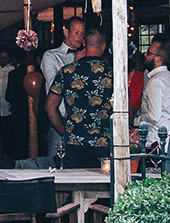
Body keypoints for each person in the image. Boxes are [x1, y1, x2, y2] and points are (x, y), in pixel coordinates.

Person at [47, 23, 114, 169]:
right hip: (103, 144)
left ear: (84, 43)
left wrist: (65, 132)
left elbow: (50, 107)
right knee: (102, 187)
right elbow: (125, 109)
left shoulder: (67, 71)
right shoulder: (112, 74)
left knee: (74, 185)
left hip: (73, 144)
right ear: (103, 46)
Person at [38, 18, 85, 159]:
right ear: (66, 32)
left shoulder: (86, 57)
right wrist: (75, 65)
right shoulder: (51, 56)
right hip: (60, 119)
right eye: (76, 32)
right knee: (56, 163)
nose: (80, 37)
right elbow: (54, 85)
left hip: (82, 121)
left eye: (82, 33)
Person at [137, 39, 170, 150]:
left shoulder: (156, 82)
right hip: (168, 140)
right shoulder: (169, 77)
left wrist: (136, 121)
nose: (145, 55)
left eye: (149, 53)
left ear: (158, 59)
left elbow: (153, 116)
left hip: (156, 142)